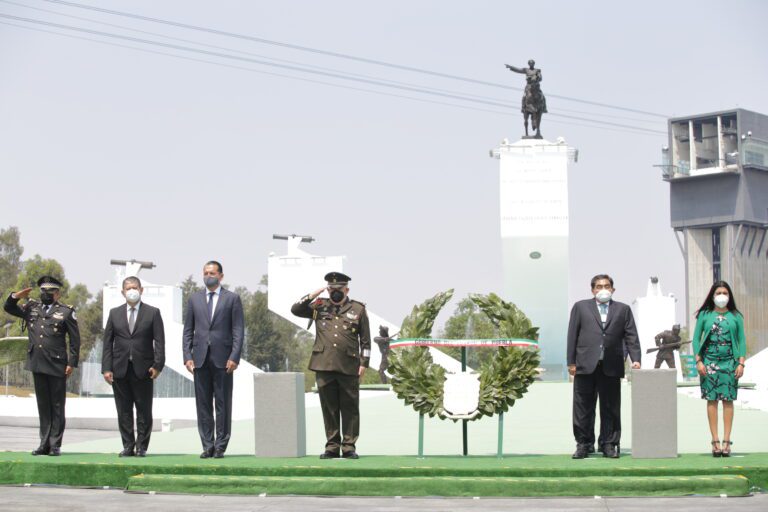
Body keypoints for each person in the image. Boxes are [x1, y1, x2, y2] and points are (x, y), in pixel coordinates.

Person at [291, 271, 371, 459]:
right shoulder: (319, 306)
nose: (335, 292)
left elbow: (365, 340)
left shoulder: (358, 309)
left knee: (350, 408)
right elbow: (295, 309)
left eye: (339, 289)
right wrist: (315, 294)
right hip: (324, 364)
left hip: (349, 365)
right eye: (331, 289)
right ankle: (332, 446)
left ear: (346, 289)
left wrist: (364, 363)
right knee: (329, 407)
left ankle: (349, 446)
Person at [3, 276, 80, 456]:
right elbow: (8, 307)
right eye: (43, 290)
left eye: (49, 291)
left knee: (57, 406)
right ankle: (43, 443)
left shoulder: (66, 312)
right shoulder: (31, 308)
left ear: (57, 293)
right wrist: (15, 296)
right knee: (43, 405)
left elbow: (75, 340)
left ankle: (55, 445)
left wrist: (72, 363)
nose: (45, 294)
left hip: (57, 364)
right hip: (37, 362)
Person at [567, 274, 641, 459]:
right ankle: (584, 444)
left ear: (613, 289)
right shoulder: (580, 307)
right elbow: (572, 335)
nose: (603, 290)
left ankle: (608, 444)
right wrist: (571, 361)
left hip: (612, 364)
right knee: (583, 407)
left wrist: (636, 359)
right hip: (585, 364)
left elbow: (631, 336)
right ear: (592, 290)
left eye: (607, 286)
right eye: (599, 286)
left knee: (610, 407)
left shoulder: (623, 309)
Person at [182, 261, 244, 459]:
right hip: (199, 359)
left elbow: (238, 331)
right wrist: (187, 356)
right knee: (203, 405)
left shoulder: (232, 299)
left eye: (213, 273)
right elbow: (187, 331)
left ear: (221, 276)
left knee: (223, 404)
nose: (209, 275)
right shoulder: (194, 299)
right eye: (206, 272)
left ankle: (220, 445)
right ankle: (207, 445)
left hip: (223, 360)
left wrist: (234, 356)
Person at [101, 276, 165, 457]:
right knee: (123, 410)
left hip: (144, 369)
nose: (132, 290)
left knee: (144, 409)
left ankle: (141, 447)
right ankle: (128, 445)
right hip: (120, 369)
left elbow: (160, 342)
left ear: (141, 289)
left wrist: (158, 365)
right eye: (128, 288)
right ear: (122, 292)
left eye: (135, 287)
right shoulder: (114, 313)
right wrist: (106, 368)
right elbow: (107, 343)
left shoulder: (152, 313)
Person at [691, 281, 746, 457]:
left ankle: (726, 441)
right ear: (712, 296)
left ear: (729, 296)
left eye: (725, 293)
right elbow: (696, 339)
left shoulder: (736, 316)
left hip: (730, 363)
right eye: (718, 293)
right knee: (712, 400)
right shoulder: (705, 315)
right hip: (709, 363)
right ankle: (715, 441)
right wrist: (698, 361)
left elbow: (742, 340)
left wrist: (741, 363)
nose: (721, 296)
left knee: (728, 400)